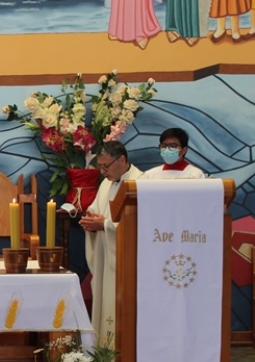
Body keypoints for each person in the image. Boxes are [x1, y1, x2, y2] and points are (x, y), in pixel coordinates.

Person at [79, 141, 143, 346]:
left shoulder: (140, 184)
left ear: (122, 160)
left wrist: (105, 225)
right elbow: (98, 210)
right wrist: (91, 220)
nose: (102, 171)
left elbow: (140, 226)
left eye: (106, 166)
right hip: (106, 257)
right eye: (100, 166)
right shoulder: (106, 183)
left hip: (126, 262)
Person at [140, 128, 206, 179]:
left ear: (184, 150)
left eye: (173, 146)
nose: (167, 149)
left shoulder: (195, 175)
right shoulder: (150, 175)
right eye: (164, 146)